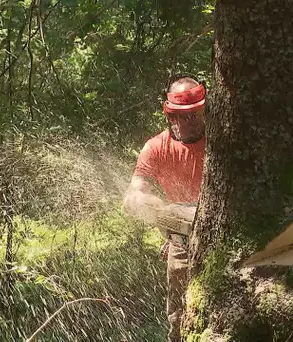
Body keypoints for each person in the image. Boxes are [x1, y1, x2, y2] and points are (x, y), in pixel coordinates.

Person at [123, 74, 207, 342]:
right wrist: (165, 212)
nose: (182, 123)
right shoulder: (157, 147)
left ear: (204, 111)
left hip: (225, 239)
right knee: (180, 318)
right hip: (181, 242)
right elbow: (133, 195)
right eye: (176, 116)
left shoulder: (224, 144)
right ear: (168, 114)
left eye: (191, 116)